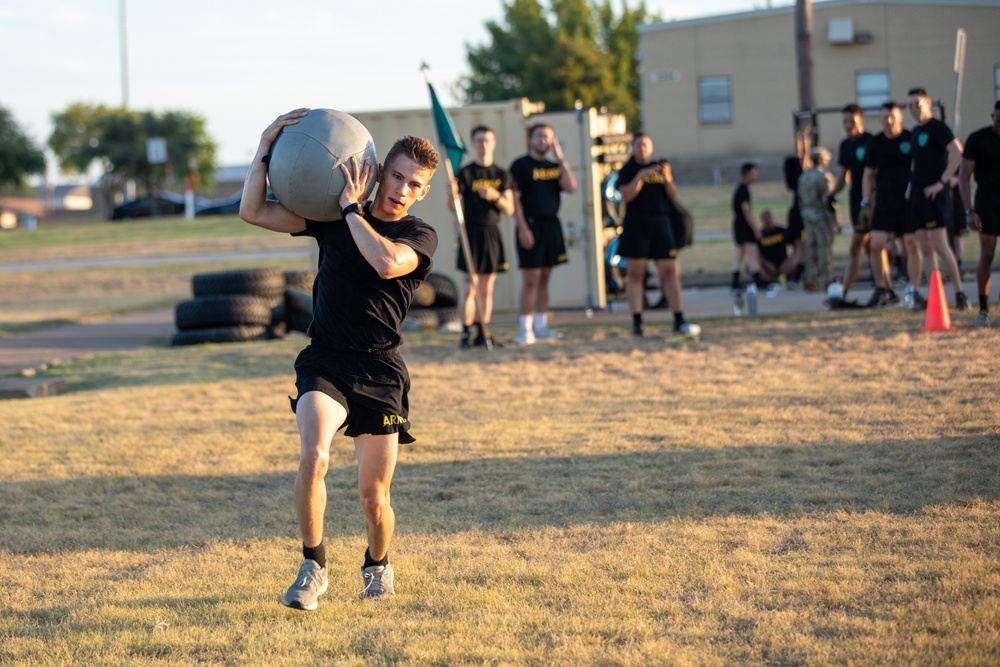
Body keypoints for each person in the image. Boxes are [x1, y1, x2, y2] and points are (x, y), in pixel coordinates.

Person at [240, 109, 439, 610]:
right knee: (314, 456)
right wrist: (266, 144)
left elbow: (387, 262)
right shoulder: (332, 217)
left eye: (413, 184)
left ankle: (377, 565)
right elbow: (254, 211)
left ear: (421, 193)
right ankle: (313, 566)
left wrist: (353, 211)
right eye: (395, 176)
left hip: (380, 370)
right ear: (377, 171)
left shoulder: (418, 235)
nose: (400, 188)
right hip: (325, 360)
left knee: (374, 499)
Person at [615, 132, 699, 338]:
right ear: (632, 148)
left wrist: (667, 176)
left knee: (670, 271)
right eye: (638, 145)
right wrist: (642, 176)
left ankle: (679, 319)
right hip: (637, 224)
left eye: (645, 145)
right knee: (636, 274)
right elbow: (627, 195)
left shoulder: (659, 168)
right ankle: (637, 322)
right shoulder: (627, 170)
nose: (641, 149)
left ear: (651, 147)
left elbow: (672, 194)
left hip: (661, 223)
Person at [509, 123, 578, 345]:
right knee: (531, 278)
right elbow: (515, 200)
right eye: (539, 136)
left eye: (547, 137)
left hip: (552, 226)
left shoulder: (554, 165)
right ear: (531, 139)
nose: (543, 140)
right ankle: (525, 330)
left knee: (545, 277)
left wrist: (561, 158)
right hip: (530, 224)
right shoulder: (520, 165)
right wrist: (522, 227)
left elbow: (571, 187)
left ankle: (541, 327)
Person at [905, 87, 969, 310]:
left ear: (928, 102)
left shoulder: (938, 128)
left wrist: (942, 182)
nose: (914, 109)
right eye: (910, 106)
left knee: (941, 245)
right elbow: (916, 163)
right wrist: (911, 185)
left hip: (935, 196)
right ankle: (936, 295)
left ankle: (960, 293)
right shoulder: (914, 132)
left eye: (917, 104)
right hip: (918, 196)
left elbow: (958, 153)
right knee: (924, 247)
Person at [450, 125, 514, 348]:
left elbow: (510, 208)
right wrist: (453, 192)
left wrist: (495, 195)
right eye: (478, 140)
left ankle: (482, 331)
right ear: (473, 144)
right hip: (470, 234)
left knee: (487, 287)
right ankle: (465, 332)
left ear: (494, 143)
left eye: (487, 140)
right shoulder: (466, 173)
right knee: (469, 285)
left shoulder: (501, 174)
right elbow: (453, 206)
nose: (483, 144)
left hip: (492, 234)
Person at [861, 101, 911, 307]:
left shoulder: (910, 138)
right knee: (876, 244)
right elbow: (868, 174)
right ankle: (883, 289)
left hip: (908, 200)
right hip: (884, 200)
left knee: (911, 247)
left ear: (900, 117)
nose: (888, 121)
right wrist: (866, 201)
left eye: (892, 117)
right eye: (884, 118)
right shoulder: (876, 142)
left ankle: (913, 289)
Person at [958, 100, 1000, 327]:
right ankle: (983, 309)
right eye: (997, 119)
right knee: (987, 253)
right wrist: (969, 211)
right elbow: (964, 175)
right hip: (987, 200)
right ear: (992, 116)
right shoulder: (978, 138)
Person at [829, 104, 874, 298]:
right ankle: (884, 284)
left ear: (861, 120)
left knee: (856, 246)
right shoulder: (845, 145)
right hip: (855, 200)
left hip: (870, 201)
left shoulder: (871, 141)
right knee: (870, 247)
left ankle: (845, 291)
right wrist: (830, 193)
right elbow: (842, 177)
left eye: (852, 121)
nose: (848, 125)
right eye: (845, 122)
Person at [798, 146, 839, 290]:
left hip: (807, 215)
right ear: (822, 160)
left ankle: (810, 280)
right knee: (824, 249)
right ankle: (826, 280)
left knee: (810, 248)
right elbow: (828, 201)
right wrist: (836, 221)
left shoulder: (804, 176)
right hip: (820, 216)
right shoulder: (823, 177)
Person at [731, 162, 763, 294]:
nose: (756, 176)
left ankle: (735, 282)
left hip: (738, 225)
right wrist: (755, 228)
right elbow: (746, 210)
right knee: (752, 253)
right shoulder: (744, 189)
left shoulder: (739, 188)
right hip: (744, 226)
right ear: (747, 173)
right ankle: (758, 281)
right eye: (754, 173)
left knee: (740, 255)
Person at [756, 209, 798, 284]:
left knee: (793, 263)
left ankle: (789, 279)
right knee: (751, 266)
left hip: (783, 262)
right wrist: (767, 263)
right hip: (768, 265)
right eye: (766, 219)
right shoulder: (760, 235)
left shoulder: (781, 231)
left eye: (770, 218)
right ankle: (770, 281)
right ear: (762, 220)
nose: (768, 220)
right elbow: (757, 254)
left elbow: (796, 244)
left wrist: (792, 258)